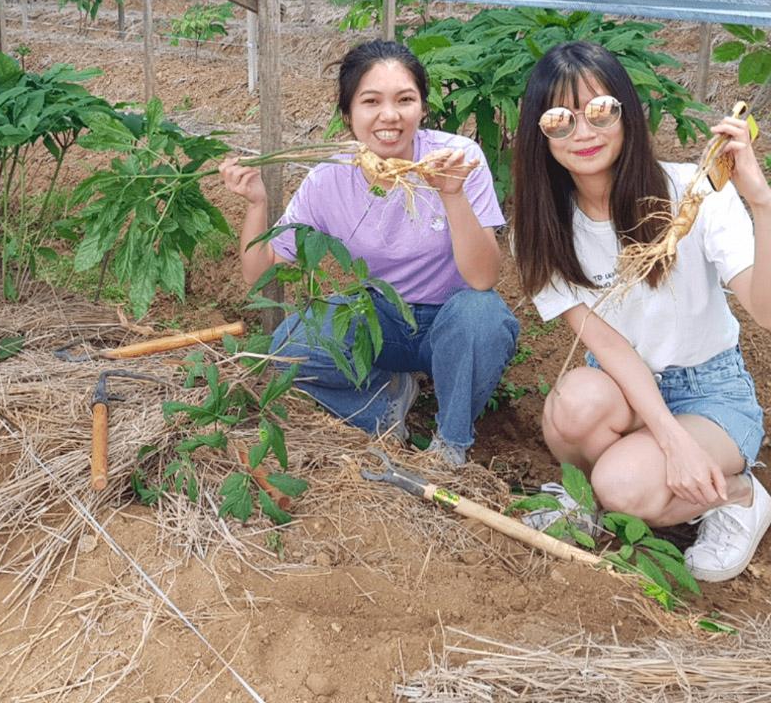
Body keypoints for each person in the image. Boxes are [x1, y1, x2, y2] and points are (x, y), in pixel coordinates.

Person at [511, 40, 770, 582]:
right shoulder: (541, 230)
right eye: (560, 119)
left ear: (628, 111)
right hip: (622, 385)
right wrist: (670, 440)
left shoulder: (693, 195)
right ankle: (595, 494)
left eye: (599, 111)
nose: (582, 132)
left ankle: (740, 495)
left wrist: (761, 201)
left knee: (624, 487)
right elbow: (607, 347)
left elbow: (765, 312)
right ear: (540, 133)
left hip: (711, 391)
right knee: (572, 405)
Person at [218, 40, 519, 465]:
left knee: (483, 316)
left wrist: (451, 194)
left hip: (452, 319)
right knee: (285, 348)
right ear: (348, 114)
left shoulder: (457, 160)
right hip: (381, 318)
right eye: (371, 101)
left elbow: (484, 279)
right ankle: (386, 404)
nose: (389, 116)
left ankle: (450, 446)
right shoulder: (330, 178)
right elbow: (260, 273)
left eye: (405, 100)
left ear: (422, 108)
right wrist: (255, 205)